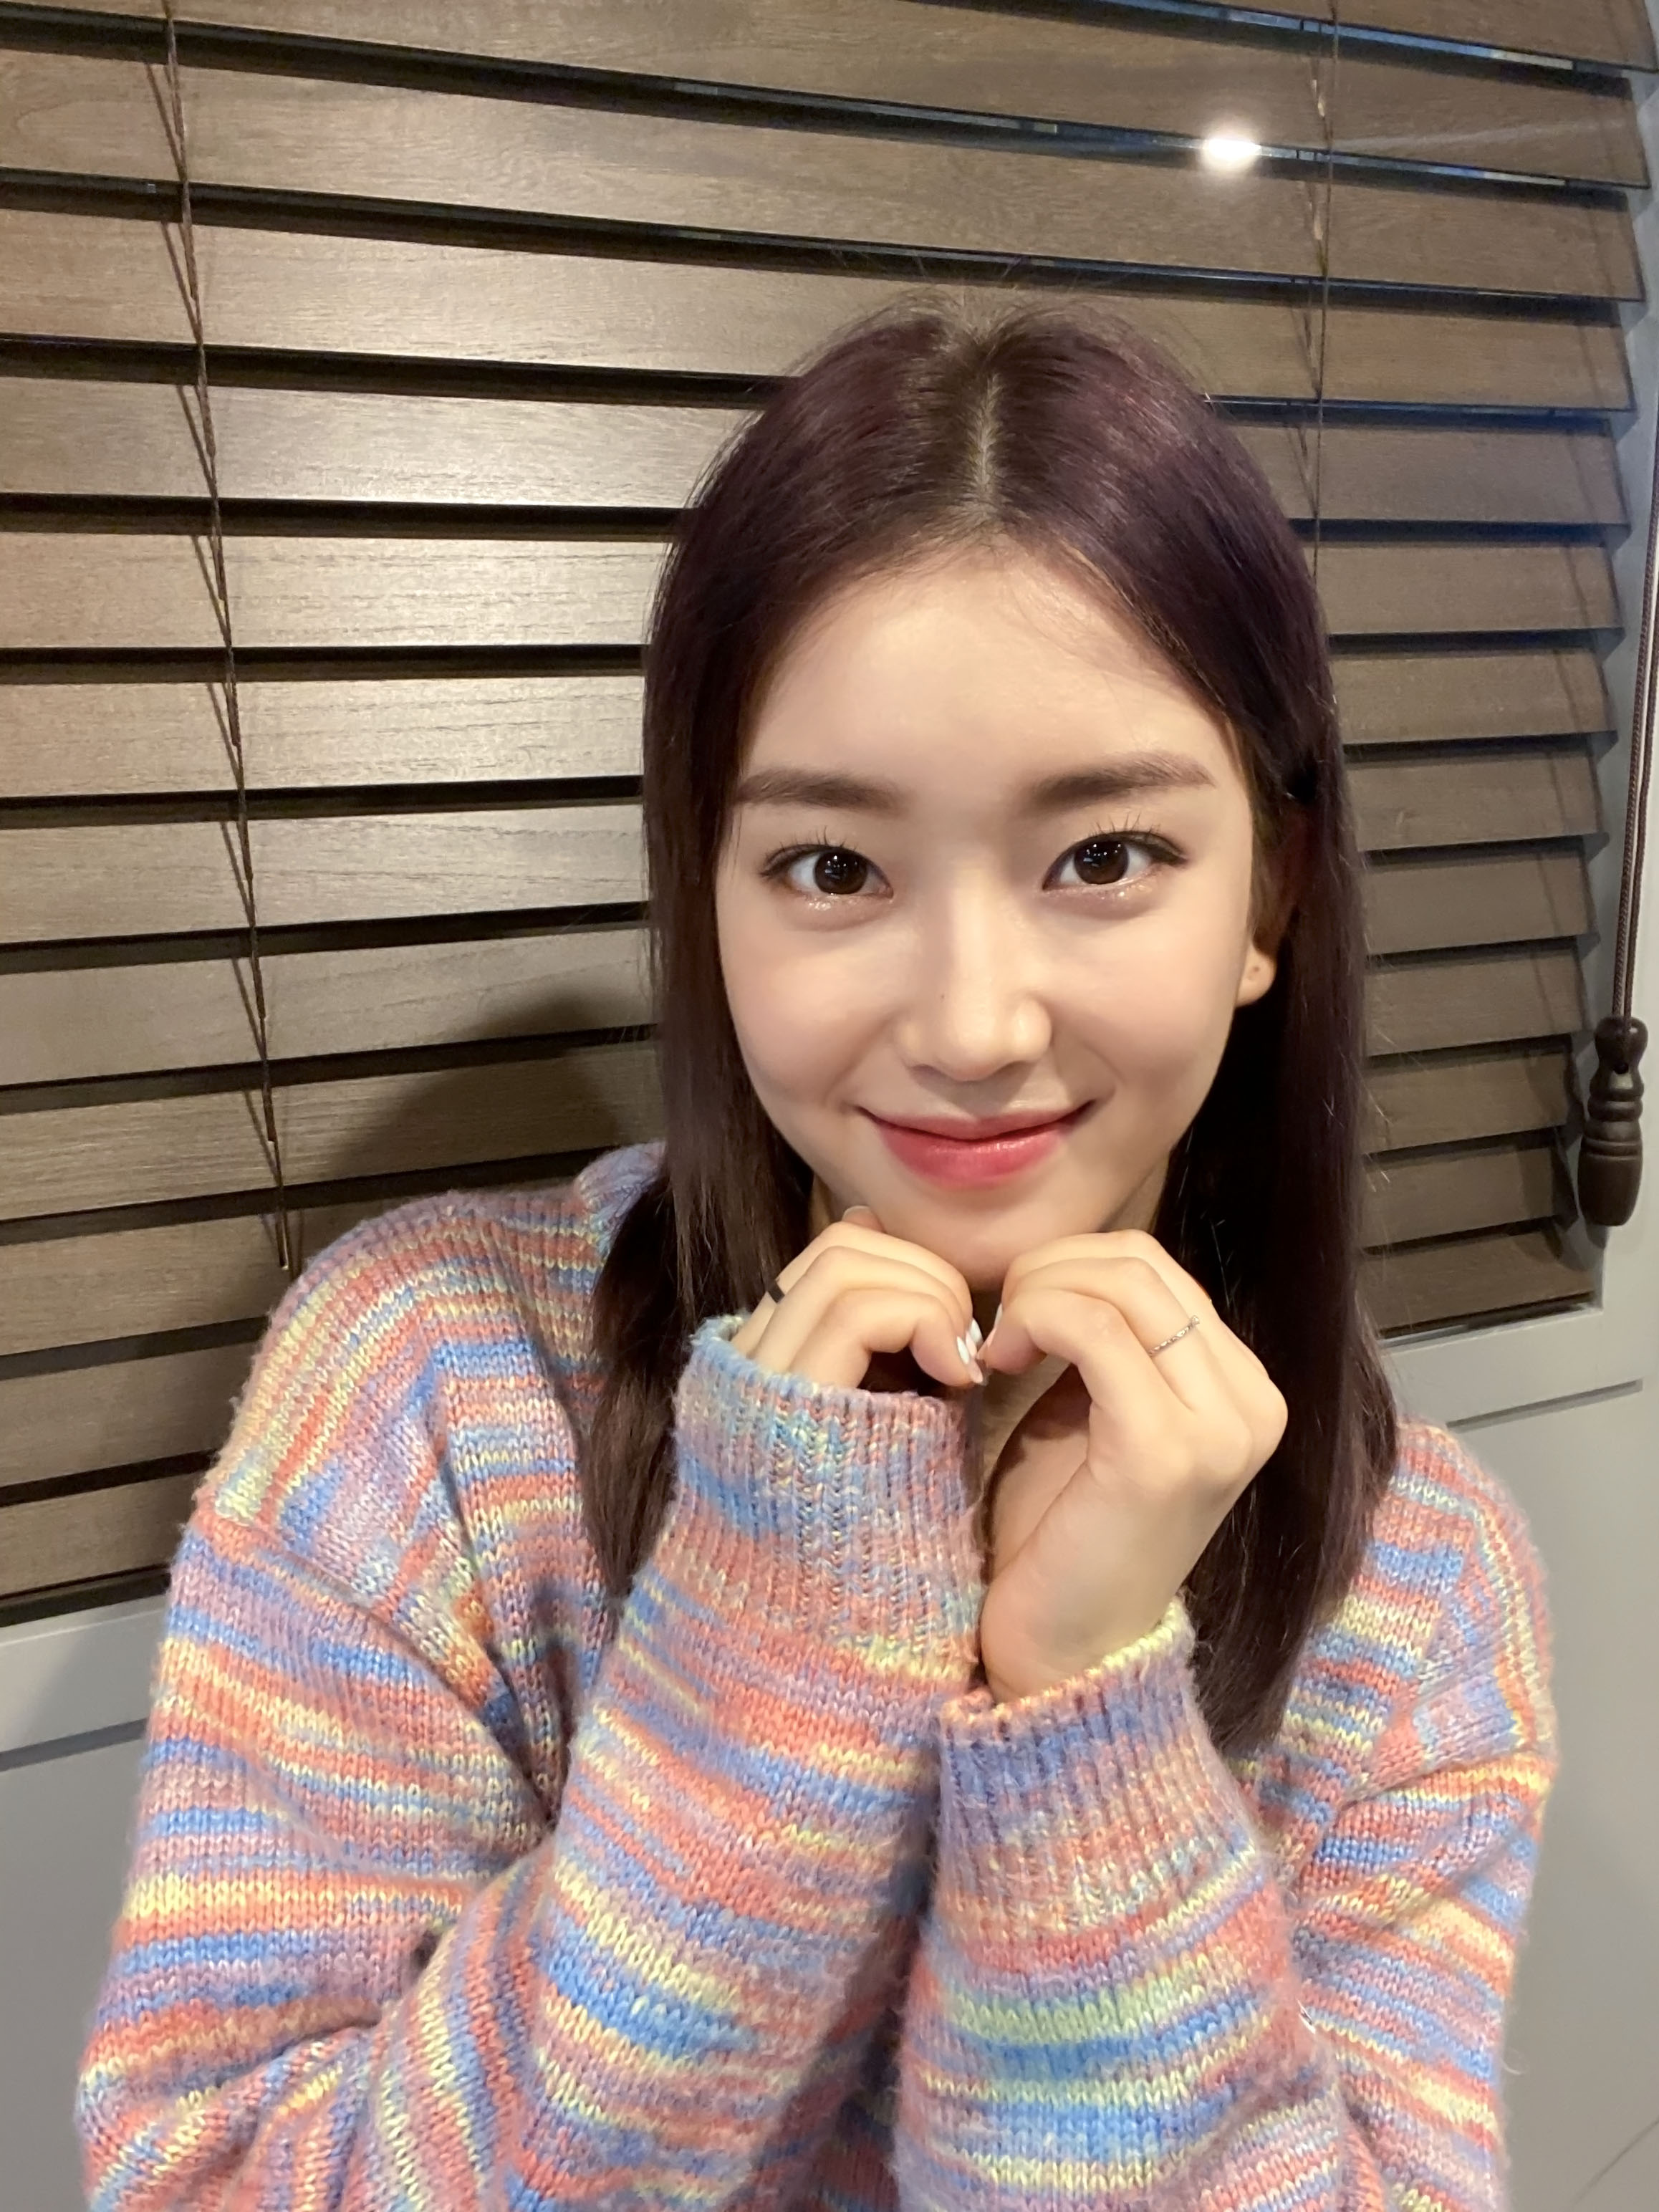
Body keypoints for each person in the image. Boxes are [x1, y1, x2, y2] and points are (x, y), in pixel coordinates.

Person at [77, 305, 1557, 2211]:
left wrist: (1086, 1706)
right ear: (709, 889)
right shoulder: (436, 1391)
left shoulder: (1415, 1584)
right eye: (834, 869)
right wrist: (760, 1672)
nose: (970, 1026)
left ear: (1267, 891)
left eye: (1104, 856)